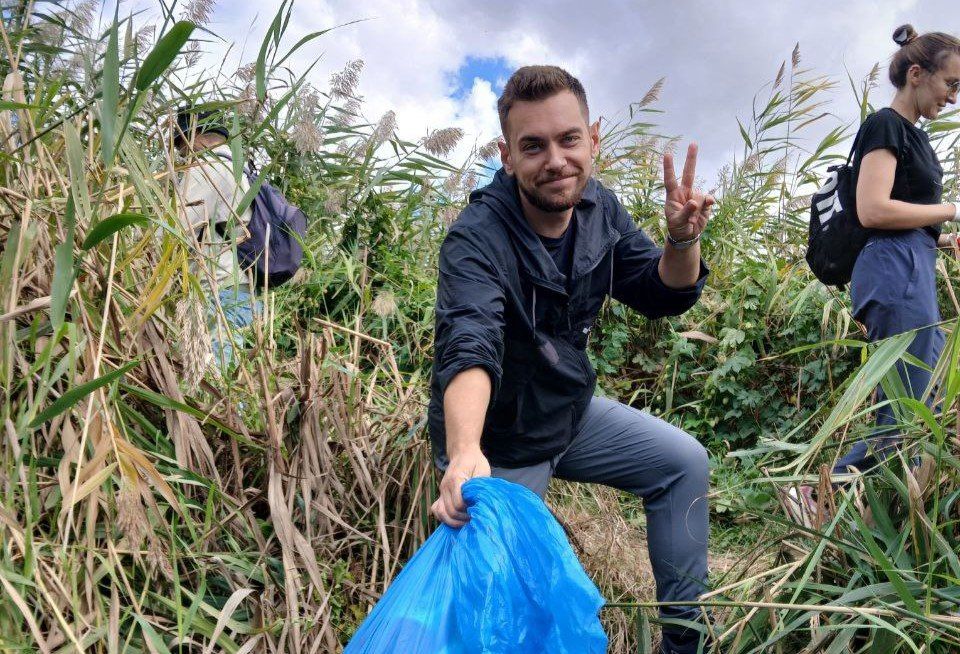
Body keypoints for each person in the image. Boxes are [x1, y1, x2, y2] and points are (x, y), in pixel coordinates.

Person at [428, 65, 714, 654]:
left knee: (684, 463)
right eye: (533, 146)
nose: (554, 160)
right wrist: (463, 454)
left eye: (568, 139)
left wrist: (682, 241)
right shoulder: (476, 237)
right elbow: (469, 343)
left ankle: (684, 643)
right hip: (497, 441)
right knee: (504, 604)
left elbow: (660, 292)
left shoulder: (599, 209)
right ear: (507, 157)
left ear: (594, 140)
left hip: (568, 412)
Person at [831, 25, 960, 477]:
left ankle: (867, 507)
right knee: (906, 403)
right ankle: (817, 494)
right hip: (893, 270)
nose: (953, 97)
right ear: (918, 74)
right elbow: (872, 210)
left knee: (930, 395)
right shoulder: (885, 125)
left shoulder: (916, 137)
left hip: (912, 265)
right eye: (952, 84)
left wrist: (945, 238)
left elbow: (909, 221)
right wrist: (953, 210)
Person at [175, 109, 257, 372]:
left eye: (180, 146)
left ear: (194, 136)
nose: (180, 155)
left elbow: (176, 229)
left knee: (210, 375)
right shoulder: (239, 169)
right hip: (243, 289)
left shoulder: (207, 170)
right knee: (225, 379)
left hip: (218, 289)